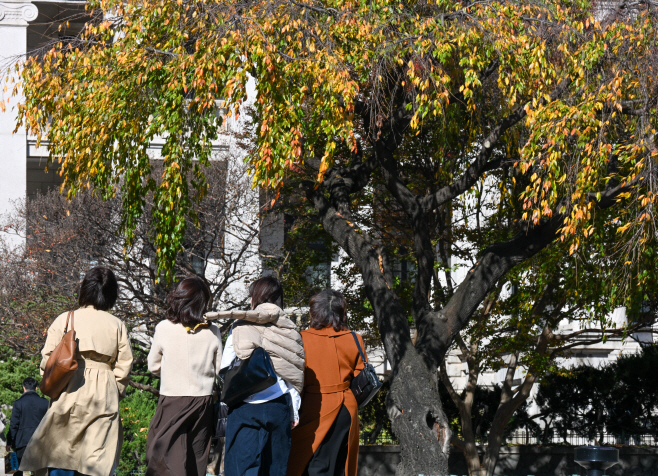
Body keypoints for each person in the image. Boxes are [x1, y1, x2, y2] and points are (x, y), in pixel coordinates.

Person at [20, 266, 134, 476]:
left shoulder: (65, 319)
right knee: (96, 460)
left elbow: (47, 360)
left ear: (85, 289)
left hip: (69, 386)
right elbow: (125, 365)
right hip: (104, 390)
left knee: (60, 452)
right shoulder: (117, 324)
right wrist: (114, 388)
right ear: (111, 294)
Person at [210, 276, 305, 476]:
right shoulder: (291, 329)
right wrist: (294, 410)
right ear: (279, 300)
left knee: (240, 470)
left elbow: (225, 366)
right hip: (278, 405)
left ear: (256, 298)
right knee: (275, 470)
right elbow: (294, 373)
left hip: (244, 406)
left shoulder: (241, 325)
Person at [145, 276, 222, 476]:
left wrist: (172, 372)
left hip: (172, 400)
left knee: (166, 458)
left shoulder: (164, 328)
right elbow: (220, 369)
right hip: (202, 402)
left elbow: (153, 366)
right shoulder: (213, 331)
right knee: (196, 458)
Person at [287, 289, 365, 476]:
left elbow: (295, 377)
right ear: (341, 312)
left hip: (313, 407)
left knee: (310, 464)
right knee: (339, 464)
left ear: (314, 312)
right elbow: (360, 374)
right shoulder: (355, 338)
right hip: (346, 408)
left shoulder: (301, 339)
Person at [7, 377, 49, 476]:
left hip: (22, 442)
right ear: (36, 388)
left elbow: (13, 425)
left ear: (24, 388)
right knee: (40, 470)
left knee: (18, 469)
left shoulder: (18, 403)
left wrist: (9, 442)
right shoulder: (45, 402)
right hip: (40, 441)